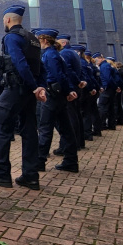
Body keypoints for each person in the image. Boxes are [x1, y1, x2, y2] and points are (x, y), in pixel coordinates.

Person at [0, 6, 47, 189]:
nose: (4, 23)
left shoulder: (12, 37)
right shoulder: (33, 39)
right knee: (29, 131)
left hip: (15, 89)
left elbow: (20, 63)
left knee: (1, 128)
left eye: (4, 20)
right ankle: (31, 176)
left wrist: (35, 87)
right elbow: (41, 66)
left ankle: (1, 173)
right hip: (28, 91)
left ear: (9, 20)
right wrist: (39, 86)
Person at [34, 29, 79, 173]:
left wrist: (67, 91)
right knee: (66, 129)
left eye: (38, 39)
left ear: (45, 41)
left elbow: (58, 75)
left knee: (45, 129)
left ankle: (40, 161)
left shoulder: (50, 55)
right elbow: (66, 74)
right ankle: (71, 161)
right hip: (58, 95)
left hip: (52, 95)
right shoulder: (56, 54)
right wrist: (69, 90)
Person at [53, 34, 85, 151]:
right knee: (75, 115)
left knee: (69, 117)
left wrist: (74, 84)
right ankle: (78, 142)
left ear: (63, 43)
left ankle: (69, 145)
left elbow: (68, 70)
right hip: (75, 86)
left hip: (70, 86)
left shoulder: (65, 53)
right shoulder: (73, 53)